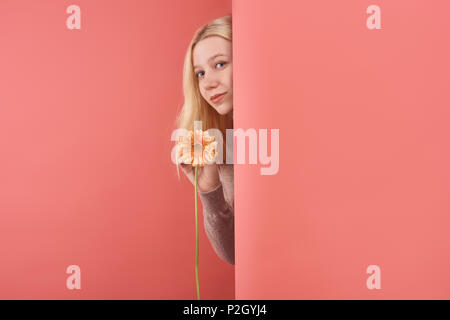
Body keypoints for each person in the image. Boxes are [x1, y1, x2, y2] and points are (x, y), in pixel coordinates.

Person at [174, 14, 234, 265]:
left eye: (220, 64)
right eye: (200, 73)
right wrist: (209, 191)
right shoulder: (226, 144)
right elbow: (234, 254)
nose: (208, 83)